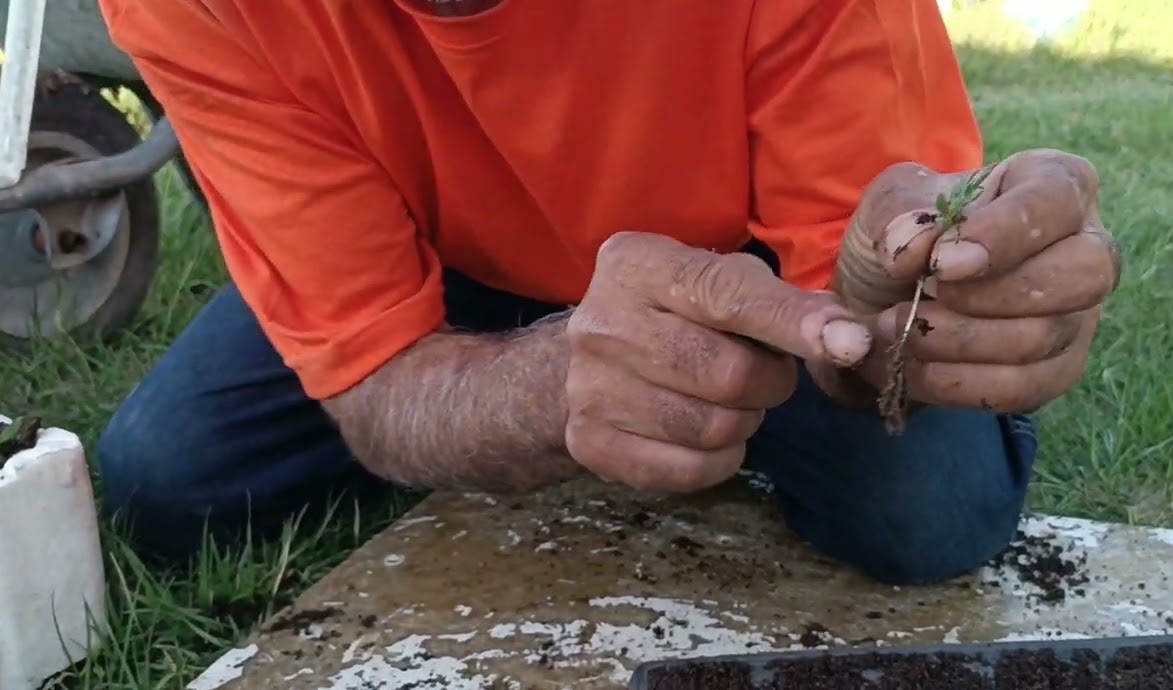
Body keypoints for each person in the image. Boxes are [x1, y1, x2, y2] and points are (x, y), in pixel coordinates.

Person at [95, 0, 1119, 584]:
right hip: (436, 250)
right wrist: (536, 389)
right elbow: (376, 375)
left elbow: (854, 304)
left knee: (925, 519)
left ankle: (705, 394)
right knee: (168, 479)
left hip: (754, 257)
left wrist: (897, 309)